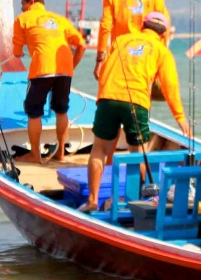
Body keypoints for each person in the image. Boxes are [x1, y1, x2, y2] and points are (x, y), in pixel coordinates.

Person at [80, 11, 191, 213]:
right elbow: (170, 87)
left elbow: (104, 69)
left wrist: (104, 96)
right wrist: (180, 117)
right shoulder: (162, 51)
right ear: (163, 34)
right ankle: (140, 199)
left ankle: (92, 200)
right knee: (137, 153)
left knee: (99, 150)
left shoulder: (120, 40)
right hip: (136, 103)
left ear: (143, 26)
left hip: (108, 98)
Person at [12, 0, 86, 164]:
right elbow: (81, 44)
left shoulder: (22, 19)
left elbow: (16, 50)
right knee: (61, 110)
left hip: (42, 69)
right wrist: (71, 67)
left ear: (31, 2)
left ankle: (35, 155)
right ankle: (60, 153)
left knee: (34, 112)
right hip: (64, 70)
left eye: (22, 4)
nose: (21, 8)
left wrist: (19, 52)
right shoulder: (59, 19)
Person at [94, 0, 169, 78]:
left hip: (119, 56)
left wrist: (100, 60)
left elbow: (105, 26)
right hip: (146, 55)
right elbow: (164, 29)